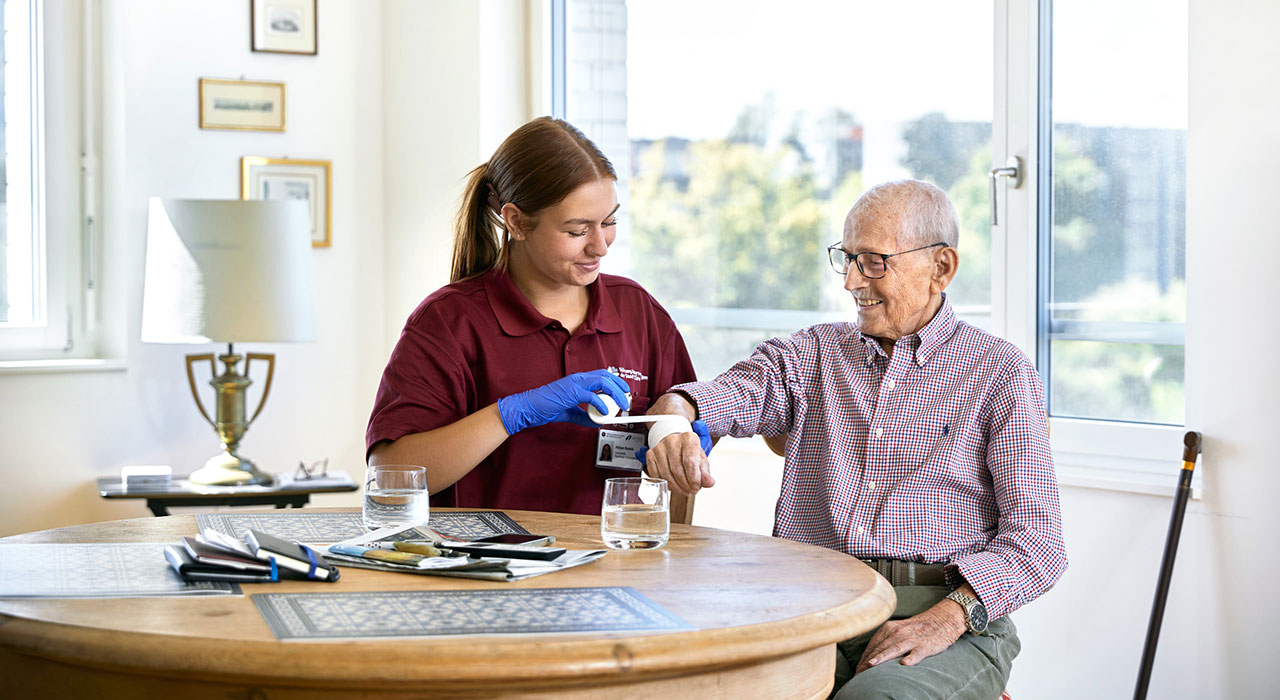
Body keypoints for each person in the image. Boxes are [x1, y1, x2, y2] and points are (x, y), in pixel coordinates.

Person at [642, 180, 1067, 699]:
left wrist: (948, 617)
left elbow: (1038, 545)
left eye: (873, 261)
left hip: (942, 612)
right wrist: (676, 413)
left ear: (941, 268)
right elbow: (734, 391)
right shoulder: (814, 352)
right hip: (813, 603)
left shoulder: (1001, 372)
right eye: (846, 258)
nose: (850, 281)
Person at [366, 117, 703, 515]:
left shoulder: (638, 312)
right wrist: (510, 415)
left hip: (610, 562)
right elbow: (389, 479)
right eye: (578, 231)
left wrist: (683, 436)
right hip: (486, 567)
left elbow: (685, 434)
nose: (600, 246)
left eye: (609, 222)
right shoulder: (448, 322)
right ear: (517, 222)